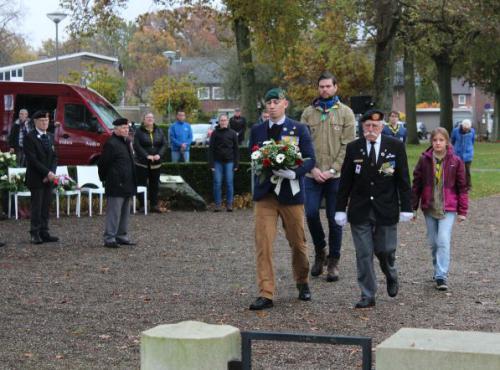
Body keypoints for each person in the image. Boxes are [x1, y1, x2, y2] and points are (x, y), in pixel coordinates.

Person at [335, 109, 412, 308]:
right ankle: (367, 294)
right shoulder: (354, 148)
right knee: (363, 252)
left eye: (375, 126)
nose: (371, 130)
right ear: (362, 127)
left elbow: (403, 180)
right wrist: (340, 208)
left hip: (386, 207)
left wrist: (407, 207)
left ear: (382, 127)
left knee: (385, 250)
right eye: (367, 126)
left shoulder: (395, 146)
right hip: (360, 208)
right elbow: (345, 181)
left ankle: (390, 273)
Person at [247, 88, 316, 310]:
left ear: (285, 103)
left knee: (298, 243)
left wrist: (294, 172)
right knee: (263, 243)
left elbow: (310, 160)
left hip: (291, 193)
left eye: (276, 101)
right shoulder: (257, 130)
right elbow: (252, 157)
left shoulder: (298, 129)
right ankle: (266, 292)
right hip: (265, 195)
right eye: (269, 102)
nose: (272, 105)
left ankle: (302, 280)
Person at [301, 71, 356, 282]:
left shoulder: (346, 113)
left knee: (336, 219)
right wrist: (313, 168)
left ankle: (333, 261)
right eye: (321, 86)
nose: (324, 89)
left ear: (335, 87)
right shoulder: (307, 113)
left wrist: (332, 170)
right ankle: (320, 250)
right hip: (311, 174)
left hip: (337, 176)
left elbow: (348, 145)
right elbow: (301, 144)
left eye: (328, 86)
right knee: (312, 213)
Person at [412, 127, 468, 291]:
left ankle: (441, 275)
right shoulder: (424, 160)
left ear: (447, 142)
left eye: (441, 140)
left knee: (443, 240)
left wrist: (462, 211)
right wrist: (412, 208)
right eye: (435, 140)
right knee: (433, 243)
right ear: (431, 142)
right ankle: (437, 267)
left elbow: (462, 187)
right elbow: (416, 185)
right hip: (429, 207)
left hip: (448, 208)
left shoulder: (455, 161)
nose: (438, 143)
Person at [98, 118, 137, 248]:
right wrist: (106, 179)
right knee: (114, 212)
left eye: (127, 128)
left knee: (125, 212)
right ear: (116, 129)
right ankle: (109, 237)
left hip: (127, 183)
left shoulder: (127, 142)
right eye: (123, 128)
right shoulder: (111, 144)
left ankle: (121, 236)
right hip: (116, 184)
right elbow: (103, 164)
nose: (126, 130)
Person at [23, 110, 59, 244]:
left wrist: (52, 173)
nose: (45, 123)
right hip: (36, 177)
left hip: (48, 177)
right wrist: (47, 173)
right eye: (42, 121)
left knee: (45, 206)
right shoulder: (30, 137)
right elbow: (32, 160)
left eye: (47, 121)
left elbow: (55, 157)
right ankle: (35, 233)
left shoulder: (49, 136)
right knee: (37, 207)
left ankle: (44, 232)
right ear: (36, 122)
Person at [133, 112, 168, 213]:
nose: (150, 119)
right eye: (147, 117)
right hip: (142, 163)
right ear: (144, 120)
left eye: (152, 117)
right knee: (141, 184)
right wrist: (146, 155)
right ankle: (142, 205)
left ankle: (154, 205)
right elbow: (136, 145)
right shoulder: (139, 131)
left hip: (156, 163)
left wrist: (159, 155)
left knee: (154, 185)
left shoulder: (159, 130)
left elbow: (164, 144)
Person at [208, 114, 239, 212]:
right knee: (217, 183)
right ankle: (218, 205)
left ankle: (229, 204)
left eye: (225, 120)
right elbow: (210, 150)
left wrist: (236, 164)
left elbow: (236, 150)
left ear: (228, 121)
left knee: (229, 183)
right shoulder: (214, 133)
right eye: (221, 120)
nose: (223, 122)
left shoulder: (233, 133)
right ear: (219, 122)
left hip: (229, 162)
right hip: (217, 162)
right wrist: (211, 164)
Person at [451, 118, 475, 190]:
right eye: (465, 128)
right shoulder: (455, 131)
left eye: (468, 129)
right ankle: (456, 184)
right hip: (457, 154)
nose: (466, 130)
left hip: (468, 154)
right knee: (457, 170)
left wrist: (469, 148)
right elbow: (453, 140)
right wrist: (456, 148)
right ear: (462, 126)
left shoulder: (472, 131)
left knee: (467, 170)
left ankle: (468, 185)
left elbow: (472, 141)